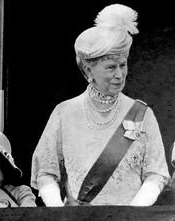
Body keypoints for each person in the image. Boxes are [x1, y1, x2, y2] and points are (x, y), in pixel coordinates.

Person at [31, 4, 170, 206]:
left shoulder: (142, 114)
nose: (119, 74)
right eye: (110, 67)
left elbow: (156, 174)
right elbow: (45, 172)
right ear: (89, 71)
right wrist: (59, 213)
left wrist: (132, 213)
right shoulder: (65, 112)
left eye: (123, 65)